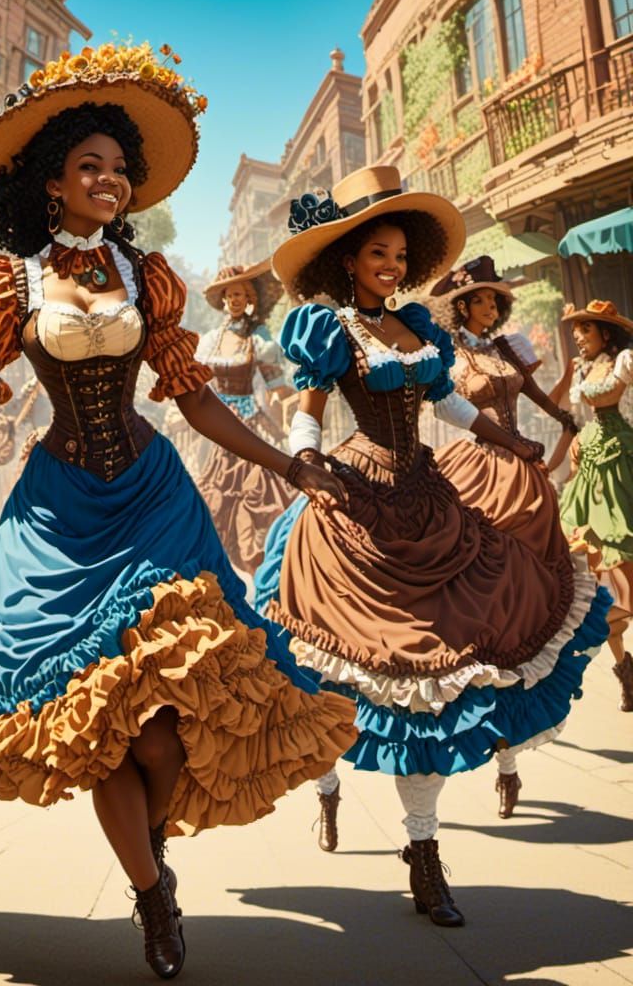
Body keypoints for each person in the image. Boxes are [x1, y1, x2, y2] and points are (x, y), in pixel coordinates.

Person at [0, 43, 357, 980]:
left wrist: (291, 463)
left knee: (161, 729)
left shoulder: (148, 276)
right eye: (91, 167)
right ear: (52, 183)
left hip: (154, 501)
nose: (110, 182)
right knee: (97, 727)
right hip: (57, 515)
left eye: (119, 170)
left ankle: (147, 857)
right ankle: (153, 897)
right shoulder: (8, 283)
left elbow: (194, 398)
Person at [253, 166, 610, 927]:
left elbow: (444, 401)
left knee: (441, 673)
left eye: (397, 254)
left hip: (429, 502)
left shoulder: (416, 324)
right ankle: (327, 791)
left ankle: (423, 852)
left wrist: (502, 433)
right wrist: (306, 462)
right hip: (357, 506)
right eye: (375, 252)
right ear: (347, 258)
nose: (389, 265)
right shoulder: (329, 328)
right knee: (340, 679)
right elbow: (306, 411)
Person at [428, 256, 596, 817]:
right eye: (480, 300)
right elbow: (442, 408)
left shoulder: (507, 349)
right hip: (476, 465)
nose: (490, 307)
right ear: (462, 307)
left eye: (495, 300)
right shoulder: (448, 356)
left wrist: (567, 418)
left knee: (530, 588)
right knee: (480, 583)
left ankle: (509, 756)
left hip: (521, 467)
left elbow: (536, 397)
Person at [554, 300, 633, 710]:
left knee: (622, 554)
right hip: (591, 470)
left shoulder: (624, 359)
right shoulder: (584, 370)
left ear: (606, 332)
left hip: (621, 463)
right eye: (576, 332)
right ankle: (627, 673)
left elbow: (617, 397)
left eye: (585, 330)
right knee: (597, 565)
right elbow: (573, 412)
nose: (578, 338)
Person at [195, 261, 296, 574]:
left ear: (249, 298)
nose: (234, 300)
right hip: (215, 423)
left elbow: (277, 386)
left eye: (240, 294)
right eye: (229, 295)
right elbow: (198, 382)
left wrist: (296, 406)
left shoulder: (259, 337)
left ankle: (260, 563)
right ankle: (217, 564)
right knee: (211, 493)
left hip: (248, 422)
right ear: (223, 299)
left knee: (257, 493)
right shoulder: (212, 338)